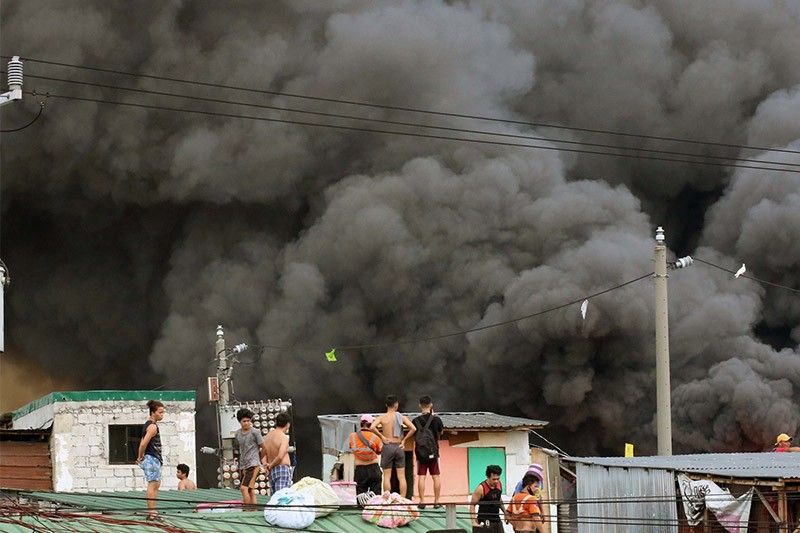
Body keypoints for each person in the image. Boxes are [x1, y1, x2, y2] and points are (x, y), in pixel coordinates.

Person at [370, 395, 416, 496]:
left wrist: (382, 437)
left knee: (387, 476)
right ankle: (403, 499)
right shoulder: (401, 417)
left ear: (386, 405)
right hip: (399, 446)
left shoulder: (382, 417)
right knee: (402, 476)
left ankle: (387, 499)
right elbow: (413, 428)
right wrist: (404, 441)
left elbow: (372, 427)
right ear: (396, 404)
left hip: (388, 446)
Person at [412, 395, 444, 508]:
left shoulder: (415, 421)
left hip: (420, 453)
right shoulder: (436, 420)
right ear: (431, 405)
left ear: (420, 405)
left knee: (421, 476)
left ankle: (422, 501)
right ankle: (437, 501)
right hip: (433, 452)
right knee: (436, 476)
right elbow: (441, 433)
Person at [136, 399, 164, 521]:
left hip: (152, 458)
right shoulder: (152, 426)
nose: (162, 415)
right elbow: (143, 444)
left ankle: (153, 512)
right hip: (152, 458)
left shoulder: (148, 424)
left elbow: (142, 443)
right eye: (160, 412)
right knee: (153, 485)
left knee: (155, 484)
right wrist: (140, 457)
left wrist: (140, 457)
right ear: (153, 412)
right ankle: (152, 513)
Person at [235, 408, 267, 508]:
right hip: (243, 465)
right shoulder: (237, 434)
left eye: (248, 421)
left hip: (253, 464)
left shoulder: (255, 432)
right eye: (244, 421)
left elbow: (264, 448)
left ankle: (248, 510)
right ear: (240, 422)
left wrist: (259, 459)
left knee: (243, 488)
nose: (247, 423)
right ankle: (253, 510)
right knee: (250, 489)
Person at [348, 414, 383, 499]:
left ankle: (361, 511)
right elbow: (379, 451)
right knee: (376, 498)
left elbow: (351, 447)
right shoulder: (376, 438)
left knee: (361, 497)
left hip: (360, 470)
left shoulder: (352, 436)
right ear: (371, 425)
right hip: (374, 469)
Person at [470, 464, 506, 533]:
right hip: (484, 520)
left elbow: (499, 499)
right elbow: (472, 505)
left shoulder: (499, 485)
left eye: (498, 479)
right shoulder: (481, 488)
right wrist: (473, 522)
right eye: (494, 479)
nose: (496, 481)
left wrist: (505, 513)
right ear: (488, 477)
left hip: (496, 520)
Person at [265, 412, 293, 493]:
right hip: (282, 469)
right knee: (282, 497)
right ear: (288, 424)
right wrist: (270, 466)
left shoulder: (268, 436)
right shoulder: (284, 437)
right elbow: (280, 456)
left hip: (272, 472)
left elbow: (263, 453)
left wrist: (266, 465)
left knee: (274, 498)